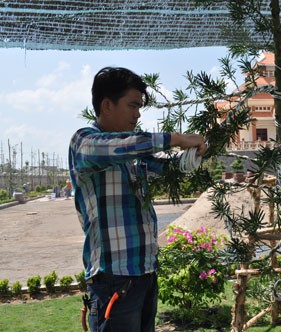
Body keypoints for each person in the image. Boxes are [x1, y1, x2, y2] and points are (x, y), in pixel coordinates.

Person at [69, 66, 207, 332]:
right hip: (113, 278)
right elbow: (119, 146)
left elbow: (170, 166)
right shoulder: (84, 142)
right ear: (107, 105)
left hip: (144, 275)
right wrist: (176, 138)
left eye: (140, 106)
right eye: (132, 105)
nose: (138, 113)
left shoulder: (134, 155)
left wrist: (196, 153)